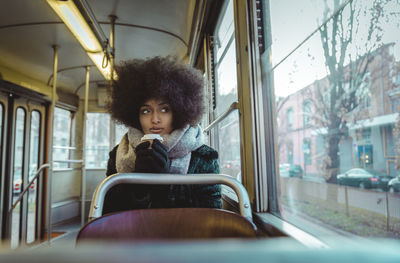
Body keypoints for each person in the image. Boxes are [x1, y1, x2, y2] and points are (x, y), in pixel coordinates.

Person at [103, 56, 222, 214]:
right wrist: (139, 188)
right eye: (146, 111)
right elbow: (109, 214)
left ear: (179, 111)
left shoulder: (204, 157)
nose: (155, 119)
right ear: (135, 116)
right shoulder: (117, 155)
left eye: (164, 109)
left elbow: (211, 216)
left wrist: (164, 184)